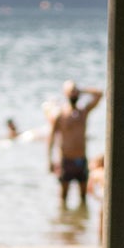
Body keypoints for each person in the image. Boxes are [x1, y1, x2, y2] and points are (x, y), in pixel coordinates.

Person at [47, 81, 103, 209]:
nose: (74, 94)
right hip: (66, 161)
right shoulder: (59, 115)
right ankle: (63, 223)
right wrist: (49, 160)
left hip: (81, 160)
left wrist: (82, 90)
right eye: (71, 91)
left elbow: (100, 94)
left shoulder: (83, 112)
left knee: (84, 198)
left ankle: (80, 225)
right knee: (63, 198)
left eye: (75, 91)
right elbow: (51, 138)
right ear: (65, 93)